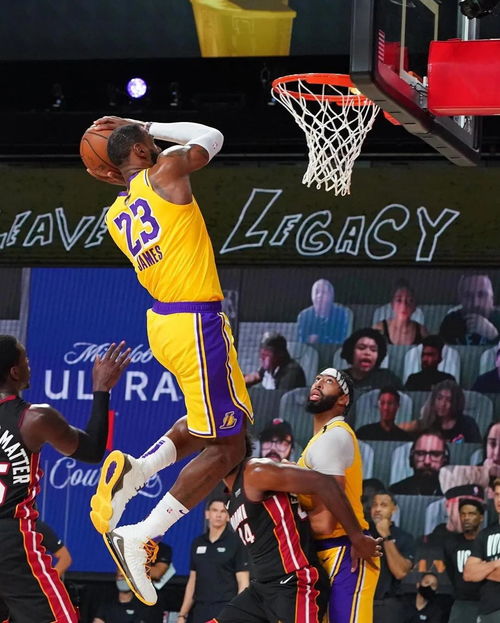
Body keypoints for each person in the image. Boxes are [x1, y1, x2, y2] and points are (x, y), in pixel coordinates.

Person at [87, 116, 254, 605]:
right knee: (227, 448)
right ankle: (140, 534)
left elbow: (129, 176)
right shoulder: (165, 171)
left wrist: (124, 156)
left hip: (165, 323)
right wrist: (148, 124)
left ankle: (137, 473)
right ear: (143, 151)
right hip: (196, 323)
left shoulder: (115, 214)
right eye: (151, 144)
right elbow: (213, 136)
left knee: (215, 426)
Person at [0, 335, 130, 623]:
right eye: (25, 359)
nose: (29, 364)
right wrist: (101, 389)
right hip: (10, 539)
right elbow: (93, 450)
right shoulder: (34, 418)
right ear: (14, 372)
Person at [209, 438, 382, 623]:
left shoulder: (255, 472)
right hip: (262, 588)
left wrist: (357, 537)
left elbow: (324, 483)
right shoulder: (229, 498)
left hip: (295, 582)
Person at [295, 368, 381, 623]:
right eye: (317, 379)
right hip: (322, 552)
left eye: (329, 381)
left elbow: (325, 522)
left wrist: (284, 522)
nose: (319, 383)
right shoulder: (318, 440)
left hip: (346, 552)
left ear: (344, 399)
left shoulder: (334, 436)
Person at [177, 498, 249, 623]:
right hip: (199, 609)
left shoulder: (236, 542)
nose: (218, 515)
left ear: (228, 516)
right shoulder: (197, 542)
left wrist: (236, 613)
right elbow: (192, 581)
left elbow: (243, 583)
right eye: (215, 510)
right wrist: (182, 615)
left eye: (223, 511)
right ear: (207, 513)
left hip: (225, 609)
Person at [369, 492, 415, 623]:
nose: (378, 509)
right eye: (374, 505)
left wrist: (386, 536)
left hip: (387, 605)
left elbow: (400, 572)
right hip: (361, 600)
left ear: (394, 509)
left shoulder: (404, 537)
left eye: (383, 505)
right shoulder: (363, 533)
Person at [463, 478, 500, 622]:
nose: (499, 499)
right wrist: (495, 564)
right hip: (487, 611)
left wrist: (482, 570)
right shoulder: (485, 534)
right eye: (497, 494)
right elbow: (468, 573)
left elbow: (476, 572)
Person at [443, 498, 484, 623]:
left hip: (486, 602)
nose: (466, 518)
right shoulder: (452, 543)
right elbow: (451, 571)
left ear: (481, 517)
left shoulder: (487, 541)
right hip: (461, 603)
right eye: (463, 514)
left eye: (471, 514)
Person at [439, 274, 500, 345]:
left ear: (492, 298)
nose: (475, 303)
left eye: (482, 294)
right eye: (468, 296)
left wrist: (494, 336)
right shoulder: (450, 322)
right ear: (460, 299)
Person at [340, 328, 402, 393]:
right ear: (351, 351)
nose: (367, 353)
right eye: (361, 348)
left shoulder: (388, 378)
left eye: (373, 350)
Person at [373, 280, 428, 346]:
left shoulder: (422, 332)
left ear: (415, 306)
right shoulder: (379, 328)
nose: (404, 306)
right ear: (392, 304)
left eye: (410, 300)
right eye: (399, 300)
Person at [297, 278, 351, 344]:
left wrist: (320, 339)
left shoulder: (343, 314)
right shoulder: (304, 316)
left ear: (331, 295)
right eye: (316, 292)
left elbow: (344, 343)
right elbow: (300, 343)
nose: (319, 296)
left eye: (323, 292)